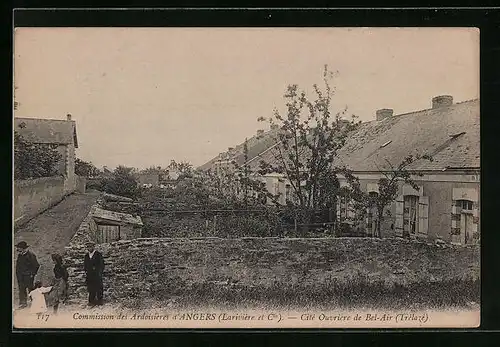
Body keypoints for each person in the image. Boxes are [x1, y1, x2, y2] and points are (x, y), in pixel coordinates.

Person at [15, 241, 40, 309]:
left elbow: (36, 266)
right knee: (21, 289)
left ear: (23, 248)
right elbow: (18, 266)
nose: (17, 249)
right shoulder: (20, 255)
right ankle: (23, 304)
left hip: (28, 276)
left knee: (31, 290)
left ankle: (35, 303)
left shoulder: (31, 255)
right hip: (21, 276)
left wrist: (32, 274)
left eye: (19, 248)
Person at [83, 241, 105, 307]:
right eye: (88, 247)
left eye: (90, 246)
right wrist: (86, 271)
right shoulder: (86, 256)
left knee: (98, 287)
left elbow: (101, 264)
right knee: (90, 288)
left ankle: (99, 301)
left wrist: (99, 272)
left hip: (97, 274)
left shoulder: (98, 254)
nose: (89, 248)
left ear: (93, 247)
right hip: (89, 275)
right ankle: (91, 301)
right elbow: (85, 265)